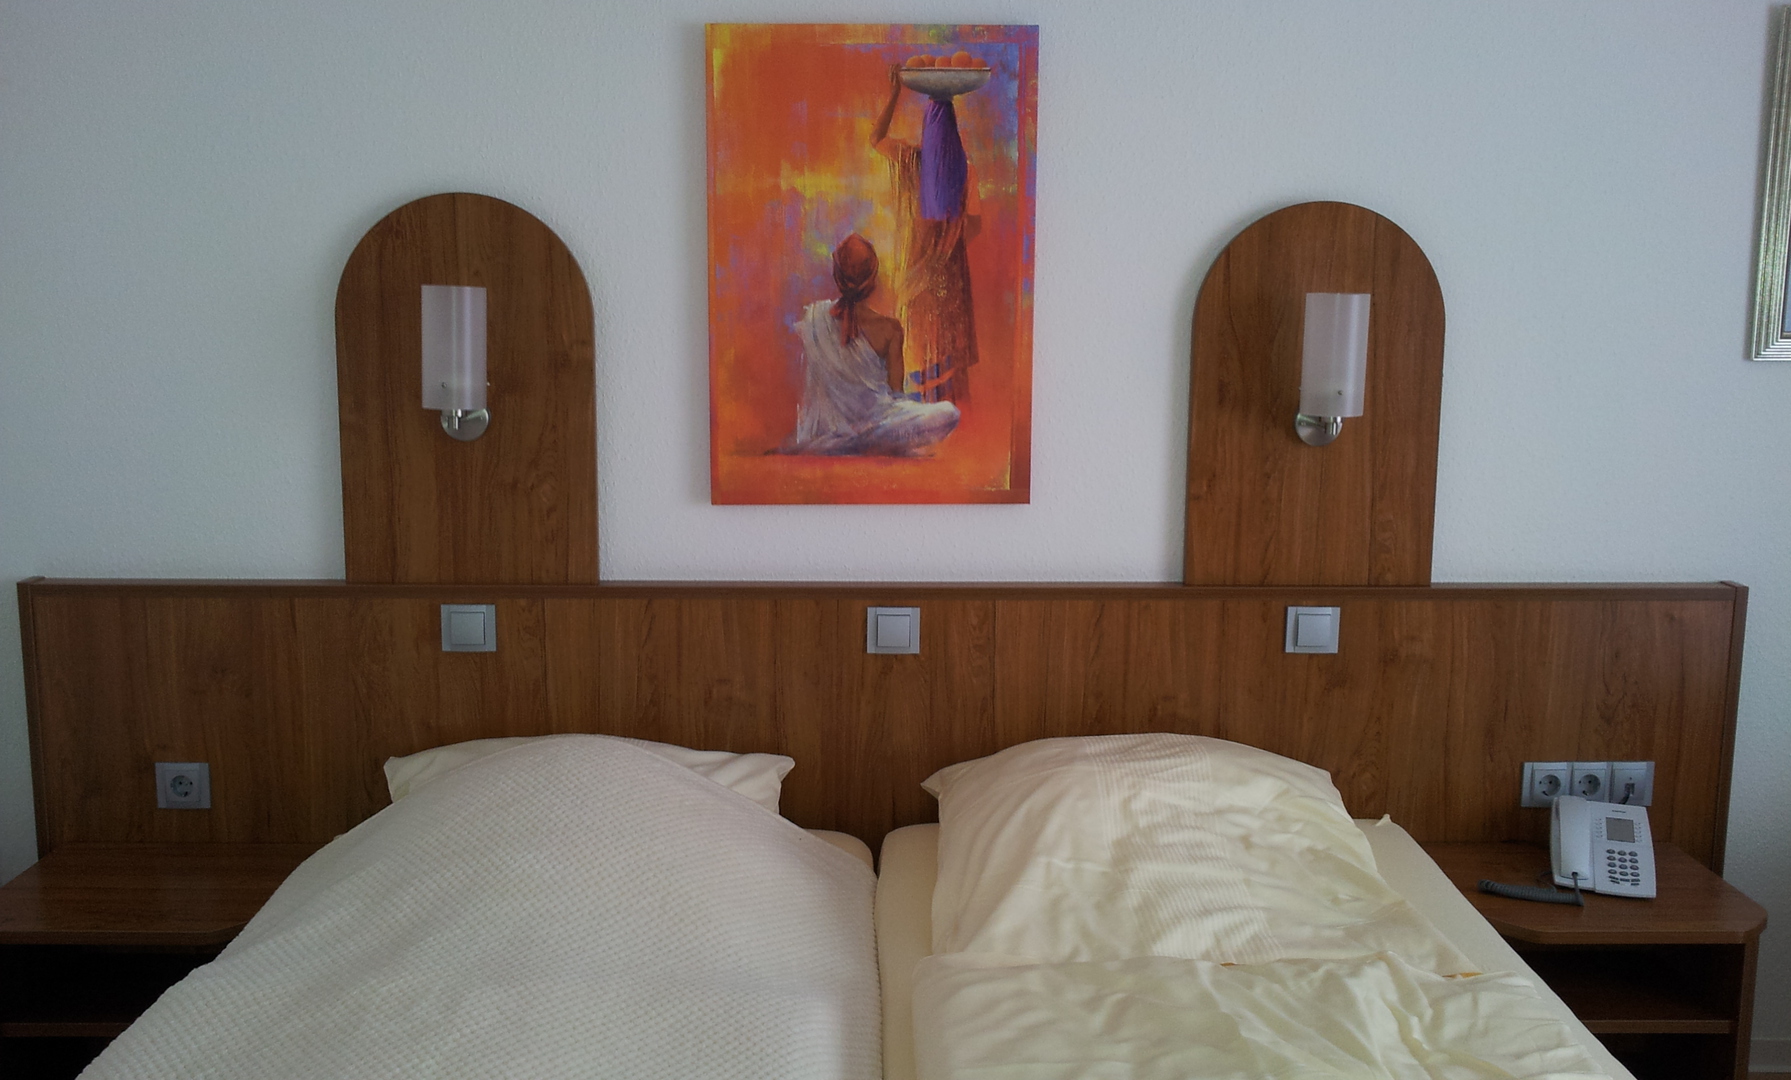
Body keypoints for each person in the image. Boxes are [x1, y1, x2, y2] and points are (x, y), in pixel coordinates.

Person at [781, 234, 959, 456]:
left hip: (830, 432)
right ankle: (868, 442)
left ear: (837, 277)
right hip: (878, 426)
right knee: (949, 413)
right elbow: (896, 396)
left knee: (878, 429)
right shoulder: (890, 329)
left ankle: (855, 442)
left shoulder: (813, 318)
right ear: (873, 278)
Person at [872, 64, 980, 404]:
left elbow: (876, 139)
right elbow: (975, 225)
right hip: (950, 286)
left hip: (916, 285)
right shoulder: (966, 171)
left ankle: (924, 420)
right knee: (947, 362)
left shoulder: (910, 161)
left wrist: (894, 93)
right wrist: (946, 250)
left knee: (919, 356)